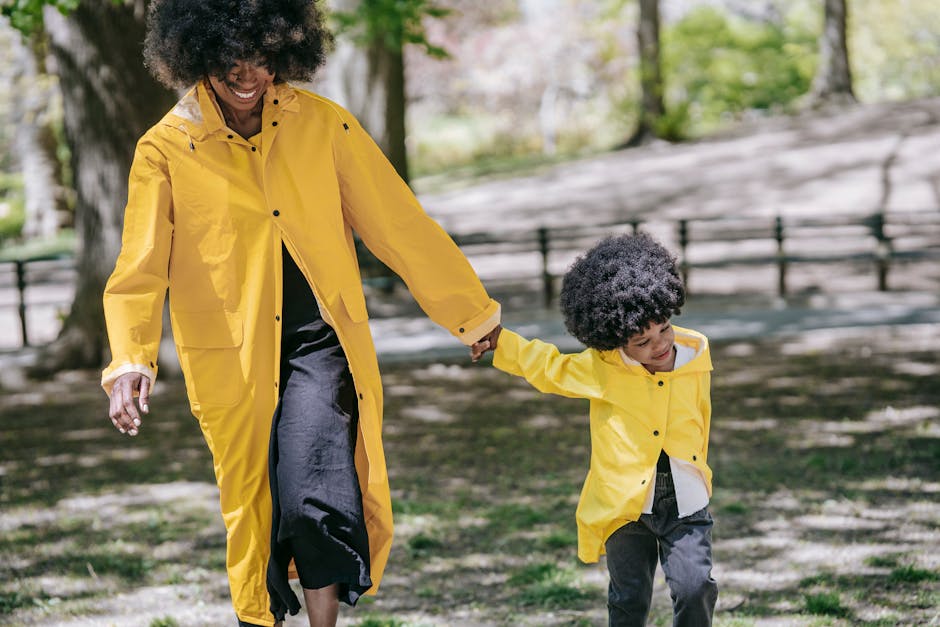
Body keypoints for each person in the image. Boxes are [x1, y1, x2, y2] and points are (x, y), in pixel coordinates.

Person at [102, 1, 500, 626]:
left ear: (285, 51)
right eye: (231, 59)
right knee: (253, 504)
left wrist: (472, 313)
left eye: (262, 57)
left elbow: (398, 225)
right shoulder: (165, 148)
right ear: (196, 54)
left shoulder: (322, 124)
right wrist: (131, 358)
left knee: (318, 491)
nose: (248, 73)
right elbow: (140, 265)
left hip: (320, 341)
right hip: (228, 353)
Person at [471, 233, 718, 626]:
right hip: (625, 508)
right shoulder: (602, 368)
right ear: (615, 340)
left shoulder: (695, 356)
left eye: (664, 328)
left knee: (695, 588)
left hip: (685, 502)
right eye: (642, 341)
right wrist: (503, 344)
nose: (660, 344)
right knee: (628, 600)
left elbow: (700, 417)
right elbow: (549, 368)